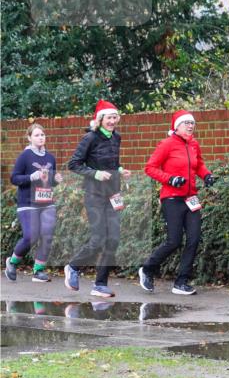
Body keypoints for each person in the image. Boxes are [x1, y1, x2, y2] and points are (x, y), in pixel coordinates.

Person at [138, 110, 216, 296]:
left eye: (192, 123)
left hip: (191, 198)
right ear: (176, 126)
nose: (190, 126)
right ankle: (147, 269)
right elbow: (150, 168)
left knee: (194, 239)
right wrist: (170, 179)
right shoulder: (167, 144)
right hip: (172, 198)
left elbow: (199, 165)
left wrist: (206, 175)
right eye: (186, 123)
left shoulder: (194, 144)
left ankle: (181, 282)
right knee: (174, 241)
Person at [64, 100, 131, 298]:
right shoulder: (90, 138)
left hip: (112, 194)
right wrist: (95, 173)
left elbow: (113, 162)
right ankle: (73, 267)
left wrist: (120, 169)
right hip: (94, 195)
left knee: (113, 240)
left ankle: (100, 284)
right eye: (109, 118)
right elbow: (74, 164)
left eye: (115, 117)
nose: (112, 121)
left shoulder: (116, 137)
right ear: (100, 119)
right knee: (98, 239)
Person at [5, 124, 63, 282]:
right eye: (37, 135)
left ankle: (38, 271)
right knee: (31, 236)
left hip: (47, 202)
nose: (41, 137)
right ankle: (12, 262)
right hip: (27, 202)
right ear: (29, 138)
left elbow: (49, 182)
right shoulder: (25, 156)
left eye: (42, 134)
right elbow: (14, 178)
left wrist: (56, 180)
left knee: (47, 235)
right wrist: (31, 177)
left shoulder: (50, 157)